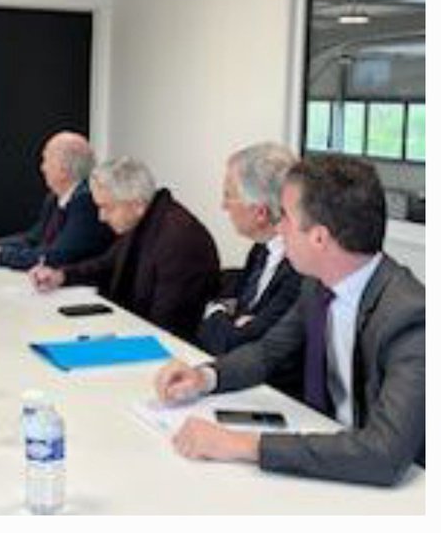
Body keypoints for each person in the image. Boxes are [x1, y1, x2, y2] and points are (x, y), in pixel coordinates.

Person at [156, 155, 425, 487]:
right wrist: (205, 376)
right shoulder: (318, 284)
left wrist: (241, 444)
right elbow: (269, 352)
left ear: (319, 238)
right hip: (328, 454)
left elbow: (385, 453)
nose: (278, 228)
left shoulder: (411, 317)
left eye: (285, 217)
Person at [31, 157, 220, 342]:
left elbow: (168, 327)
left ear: (136, 204)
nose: (101, 217)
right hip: (137, 334)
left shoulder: (179, 239)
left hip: (168, 352)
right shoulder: (145, 221)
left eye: (106, 208)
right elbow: (105, 265)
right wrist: (61, 276)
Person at [197, 144, 302, 396]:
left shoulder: (301, 269)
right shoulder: (261, 249)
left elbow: (234, 344)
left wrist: (215, 312)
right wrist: (231, 320)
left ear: (260, 213)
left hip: (280, 395)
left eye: (229, 195)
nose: (223, 205)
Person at [0, 131, 114, 270]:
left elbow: (54, 258)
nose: (42, 167)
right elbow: (33, 238)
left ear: (64, 169)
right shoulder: (55, 197)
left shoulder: (87, 203)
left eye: (46, 160)